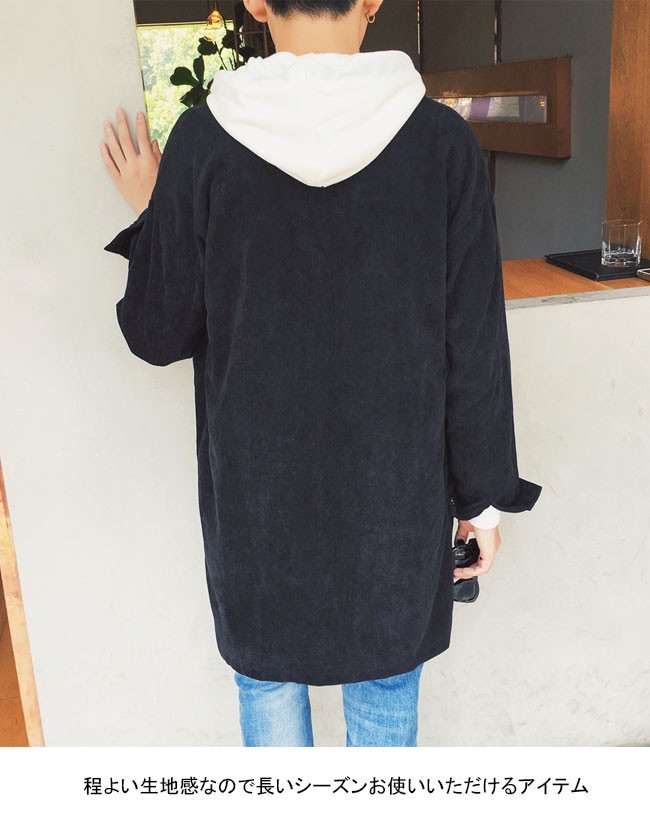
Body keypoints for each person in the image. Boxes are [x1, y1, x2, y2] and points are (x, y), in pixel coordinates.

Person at [100, 0, 542, 747]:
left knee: (267, 685)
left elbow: (157, 331)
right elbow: (472, 347)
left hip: (258, 508)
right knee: (387, 690)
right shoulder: (441, 143)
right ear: (372, 1)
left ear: (256, 2)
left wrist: (157, 209)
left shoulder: (205, 142)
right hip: (396, 505)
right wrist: (483, 502)